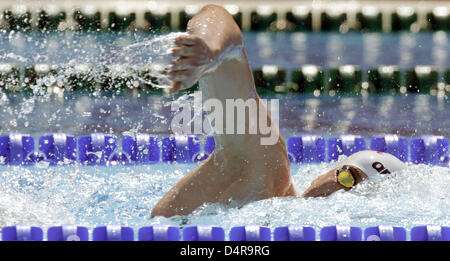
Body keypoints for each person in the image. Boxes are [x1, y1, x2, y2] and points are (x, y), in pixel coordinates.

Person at [150, 5, 407, 218]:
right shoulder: (266, 171)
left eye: (353, 191)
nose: (339, 191)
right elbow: (217, 18)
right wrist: (211, 49)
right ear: (331, 170)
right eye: (347, 177)